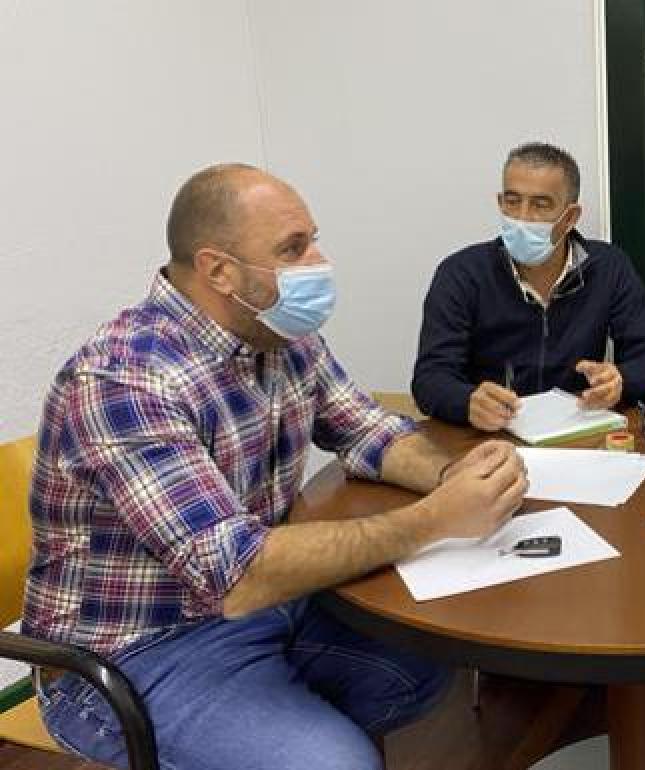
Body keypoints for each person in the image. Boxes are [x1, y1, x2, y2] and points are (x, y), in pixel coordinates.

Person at [24, 164, 528, 770]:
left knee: (425, 663)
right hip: (134, 652)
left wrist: (455, 476)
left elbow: (364, 429)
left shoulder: (280, 335)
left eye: (313, 239)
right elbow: (236, 575)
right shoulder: (123, 379)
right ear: (219, 270)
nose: (318, 261)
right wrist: (433, 520)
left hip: (261, 605)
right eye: (294, 248)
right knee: (336, 764)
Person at [410, 141, 645, 431]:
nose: (522, 217)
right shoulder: (461, 273)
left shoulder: (608, 267)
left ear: (570, 217)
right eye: (512, 201)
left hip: (575, 432)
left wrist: (621, 380)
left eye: (540, 204)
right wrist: (467, 401)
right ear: (500, 203)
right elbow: (430, 378)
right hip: (488, 438)